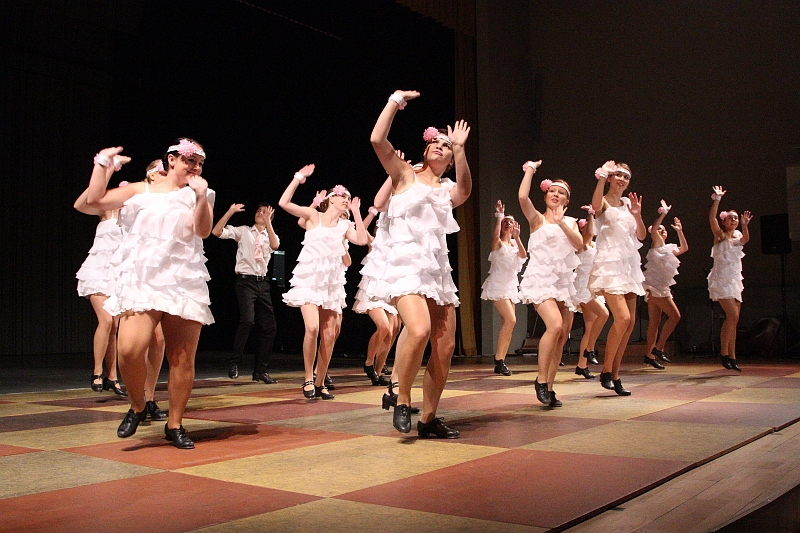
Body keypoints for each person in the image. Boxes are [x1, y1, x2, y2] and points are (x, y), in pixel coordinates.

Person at [85, 139, 214, 449]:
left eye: (199, 163)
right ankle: (138, 405)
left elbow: (203, 230)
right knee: (129, 349)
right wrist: (102, 165)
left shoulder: (201, 193)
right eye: (190, 160)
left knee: (181, 358)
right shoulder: (139, 191)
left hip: (183, 279)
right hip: (143, 280)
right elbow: (94, 200)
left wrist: (200, 197)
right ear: (171, 160)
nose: (195, 167)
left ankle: (175, 424)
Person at [369, 89, 471, 438]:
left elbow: (465, 191)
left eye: (446, 145)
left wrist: (461, 150)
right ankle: (401, 396)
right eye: (436, 142)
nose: (440, 146)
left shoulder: (446, 189)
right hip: (405, 268)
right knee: (419, 330)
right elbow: (377, 139)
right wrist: (394, 100)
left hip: (436, 273)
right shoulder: (404, 174)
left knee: (445, 346)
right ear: (425, 149)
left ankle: (429, 419)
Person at [279, 165, 367, 400]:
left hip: (331, 284)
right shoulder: (313, 216)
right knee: (312, 328)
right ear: (331, 198)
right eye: (342, 195)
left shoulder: (345, 226)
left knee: (329, 335)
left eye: (348, 197)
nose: (346, 199)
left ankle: (320, 381)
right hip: (309, 280)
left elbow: (361, 240)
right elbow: (284, 203)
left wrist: (357, 213)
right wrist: (299, 178)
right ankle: (308, 377)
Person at [518, 163, 582, 407]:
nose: (556, 194)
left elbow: (579, 244)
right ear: (545, 195)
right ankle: (541, 381)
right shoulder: (537, 219)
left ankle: (550, 387)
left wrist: (562, 222)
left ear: (567, 200)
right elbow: (522, 197)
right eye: (552, 191)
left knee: (561, 336)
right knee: (554, 325)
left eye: (561, 193)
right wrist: (530, 170)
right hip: (541, 279)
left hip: (563, 282)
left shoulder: (571, 222)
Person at [589, 161, 646, 396]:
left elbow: (641, 235)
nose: (622, 179)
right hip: (609, 265)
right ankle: (605, 371)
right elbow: (595, 206)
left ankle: (615, 375)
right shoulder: (603, 200)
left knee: (629, 324)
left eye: (626, 176)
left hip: (629, 265)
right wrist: (602, 176)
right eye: (618, 175)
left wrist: (638, 215)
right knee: (622, 318)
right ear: (611, 178)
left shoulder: (629, 204)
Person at [74, 157, 126, 397]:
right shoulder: (105, 211)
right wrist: (108, 170)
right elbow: (80, 204)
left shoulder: (132, 217)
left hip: (118, 275)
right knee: (105, 321)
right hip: (97, 271)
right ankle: (96, 371)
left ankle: (112, 377)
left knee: (115, 327)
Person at [212, 202, 280, 385]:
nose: (260, 213)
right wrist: (230, 211)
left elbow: (275, 245)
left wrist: (268, 223)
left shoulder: (270, 235)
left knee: (269, 326)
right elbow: (216, 232)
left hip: (262, 283)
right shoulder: (244, 231)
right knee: (248, 320)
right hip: (245, 281)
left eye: (264, 212)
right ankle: (234, 362)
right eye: (258, 211)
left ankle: (260, 371)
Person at [480, 200, 527, 376]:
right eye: (505, 222)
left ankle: (501, 361)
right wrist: (499, 216)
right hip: (497, 285)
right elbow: (494, 238)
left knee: (509, 324)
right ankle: (498, 360)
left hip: (510, 287)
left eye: (510, 222)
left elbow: (523, 255)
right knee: (511, 320)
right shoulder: (498, 243)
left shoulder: (514, 245)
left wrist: (518, 237)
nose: (508, 224)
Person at [708, 185, 751, 371]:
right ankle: (723, 353)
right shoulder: (720, 235)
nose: (734, 220)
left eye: (736, 218)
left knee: (734, 319)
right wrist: (717, 199)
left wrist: (745, 225)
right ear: (724, 221)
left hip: (734, 281)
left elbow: (745, 240)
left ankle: (733, 357)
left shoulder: (738, 235)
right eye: (730, 218)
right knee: (732, 316)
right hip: (721, 280)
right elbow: (711, 218)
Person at [643, 200, 688, 369]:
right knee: (675, 316)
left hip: (659, 288)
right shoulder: (657, 244)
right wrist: (663, 214)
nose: (662, 231)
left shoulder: (668, 248)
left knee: (655, 323)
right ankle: (659, 347)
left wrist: (680, 231)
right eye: (659, 230)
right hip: (656, 289)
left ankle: (649, 355)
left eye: (664, 230)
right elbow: (655, 229)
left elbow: (684, 248)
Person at [572, 205, 609, 379]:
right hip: (582, 289)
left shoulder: (595, 245)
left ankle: (582, 365)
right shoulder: (581, 245)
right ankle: (590, 349)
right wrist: (591, 214)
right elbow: (590, 234)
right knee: (604, 314)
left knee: (590, 327)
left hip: (592, 289)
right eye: (587, 226)